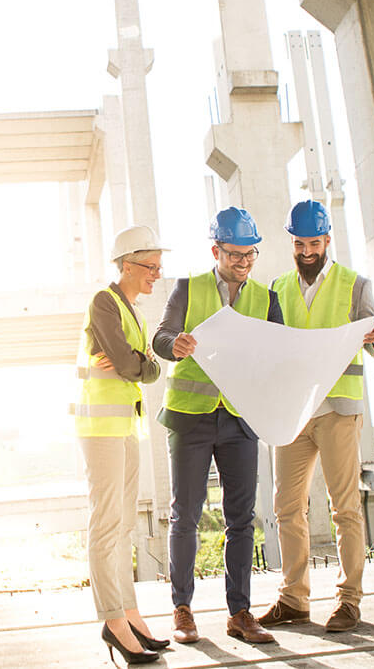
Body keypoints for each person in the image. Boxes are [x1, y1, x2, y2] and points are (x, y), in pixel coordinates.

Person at [257, 199, 374, 634]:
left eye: (315, 242)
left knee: (344, 508)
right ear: (291, 243)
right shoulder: (277, 288)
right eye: (300, 243)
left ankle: (349, 600)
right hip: (294, 414)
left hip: (338, 412)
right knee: (286, 507)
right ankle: (294, 599)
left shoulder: (355, 285)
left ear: (328, 240)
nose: (308, 251)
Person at [152, 206, 282, 645]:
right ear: (216, 250)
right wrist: (178, 344)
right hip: (190, 419)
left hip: (240, 421)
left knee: (241, 519)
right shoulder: (188, 288)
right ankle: (182, 609)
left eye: (250, 255)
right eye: (235, 255)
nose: (243, 264)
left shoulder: (266, 298)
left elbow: (281, 351)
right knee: (184, 516)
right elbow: (161, 337)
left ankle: (240, 612)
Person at [75, 225, 170, 665]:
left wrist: (141, 363)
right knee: (106, 524)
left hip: (126, 429)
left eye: (158, 267)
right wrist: (141, 364)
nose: (156, 274)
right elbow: (139, 368)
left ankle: (130, 613)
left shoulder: (135, 313)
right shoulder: (104, 303)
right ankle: (112, 620)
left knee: (124, 526)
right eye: (150, 267)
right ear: (127, 264)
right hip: (101, 431)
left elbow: (145, 368)